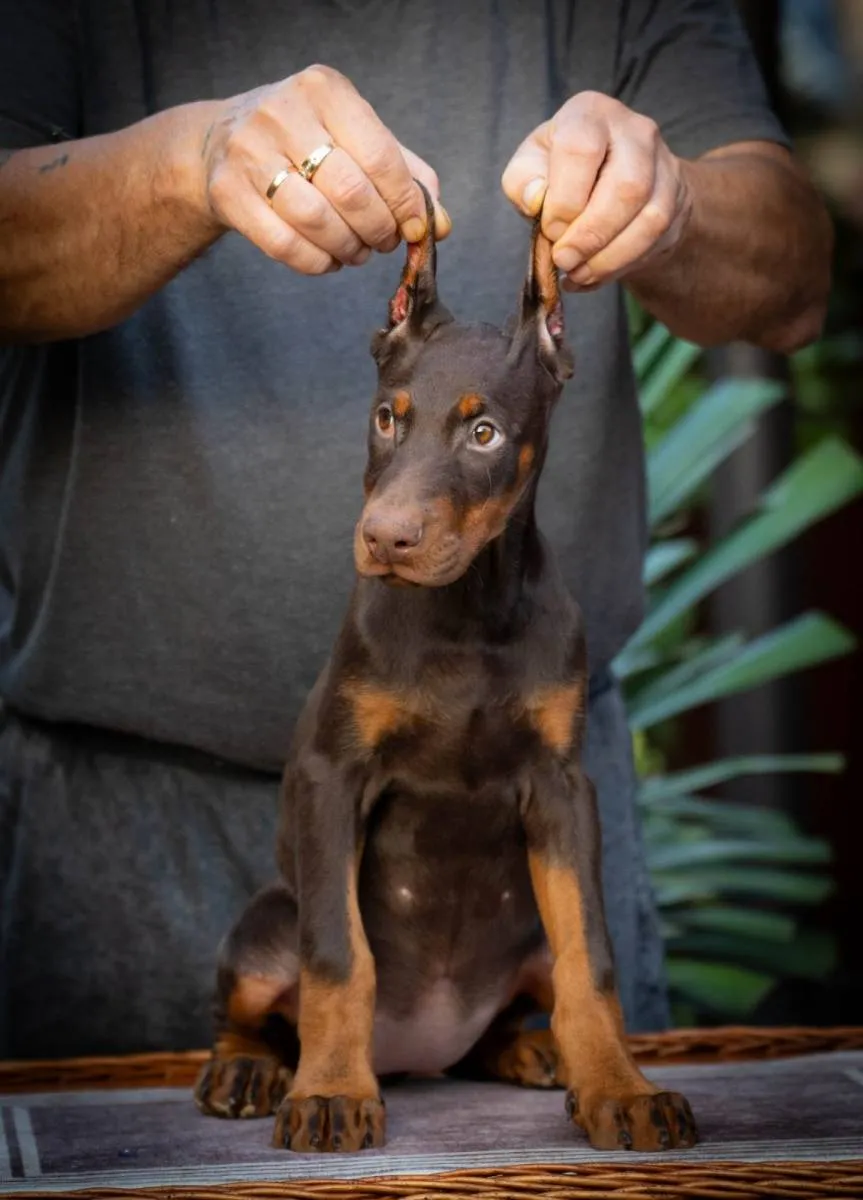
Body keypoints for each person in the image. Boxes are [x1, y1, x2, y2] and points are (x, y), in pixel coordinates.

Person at [0, 0, 831, 1059]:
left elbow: (796, 280)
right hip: (116, 824)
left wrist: (673, 207)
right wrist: (187, 161)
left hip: (526, 832)